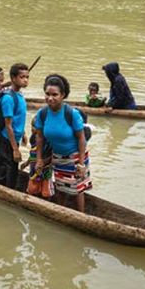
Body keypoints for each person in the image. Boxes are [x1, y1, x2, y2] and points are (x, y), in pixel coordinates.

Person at [34, 74, 91, 213]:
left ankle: (81, 215)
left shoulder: (71, 113)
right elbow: (40, 137)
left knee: (78, 189)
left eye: (55, 94)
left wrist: (81, 164)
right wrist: (39, 159)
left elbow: (81, 138)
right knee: (60, 188)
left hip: (76, 157)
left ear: (63, 95)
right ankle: (61, 212)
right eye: (47, 94)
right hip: (58, 157)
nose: (50, 98)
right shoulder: (42, 113)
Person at [0, 62, 29, 189]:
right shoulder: (8, 98)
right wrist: (15, 149)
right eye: (22, 77)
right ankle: (4, 192)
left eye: (27, 77)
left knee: (12, 170)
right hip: (6, 140)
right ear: (13, 78)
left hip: (15, 138)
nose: (25, 80)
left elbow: (18, 118)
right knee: (6, 171)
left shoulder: (20, 95)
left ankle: (9, 189)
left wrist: (23, 132)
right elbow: (8, 125)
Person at [21, 117, 54, 199]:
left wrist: (43, 164)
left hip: (45, 170)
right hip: (34, 169)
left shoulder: (47, 141)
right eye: (31, 126)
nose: (32, 128)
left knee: (46, 191)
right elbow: (32, 154)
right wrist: (26, 163)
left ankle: (46, 201)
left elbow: (52, 157)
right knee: (32, 188)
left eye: (35, 127)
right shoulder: (33, 138)